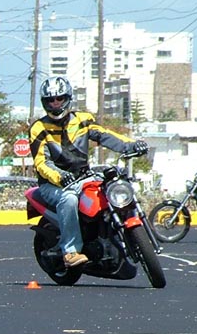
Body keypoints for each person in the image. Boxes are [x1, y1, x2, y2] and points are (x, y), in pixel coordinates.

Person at [29, 75, 148, 267]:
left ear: (68, 98)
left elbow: (106, 136)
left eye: (59, 98)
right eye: (50, 100)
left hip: (84, 177)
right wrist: (61, 176)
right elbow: (41, 163)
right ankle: (70, 251)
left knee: (114, 184)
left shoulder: (82, 120)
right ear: (45, 103)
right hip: (53, 185)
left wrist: (132, 145)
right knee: (69, 199)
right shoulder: (39, 128)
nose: (55, 103)